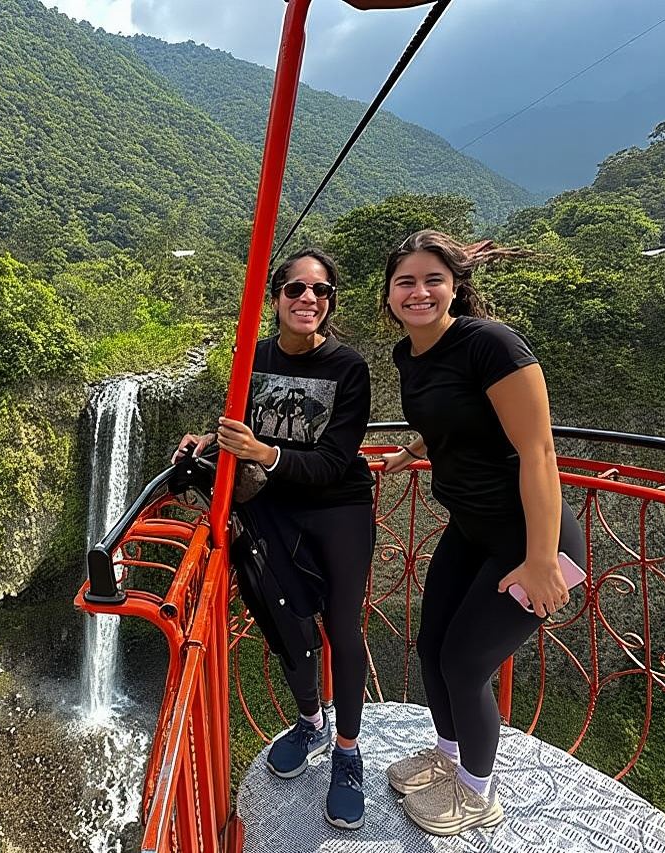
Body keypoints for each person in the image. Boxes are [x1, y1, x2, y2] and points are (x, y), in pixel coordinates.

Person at [378, 230, 586, 836]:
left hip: (531, 541)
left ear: (456, 286)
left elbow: (538, 449)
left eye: (432, 280)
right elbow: (455, 420)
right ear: (389, 294)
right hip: (471, 529)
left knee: (466, 665)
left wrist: (543, 559)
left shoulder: (490, 345)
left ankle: (476, 792)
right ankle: (446, 756)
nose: (419, 292)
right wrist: (410, 451)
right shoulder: (409, 354)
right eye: (406, 282)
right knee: (430, 648)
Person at [174, 248, 375, 830]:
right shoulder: (254, 357)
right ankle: (310, 720)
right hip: (273, 506)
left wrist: (265, 453)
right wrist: (207, 443)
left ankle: (347, 751)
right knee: (285, 619)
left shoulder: (347, 367)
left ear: (331, 302)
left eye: (321, 291)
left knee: (341, 625)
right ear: (276, 298)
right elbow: (236, 421)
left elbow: (336, 461)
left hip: (336, 505)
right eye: (295, 290)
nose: (308, 299)